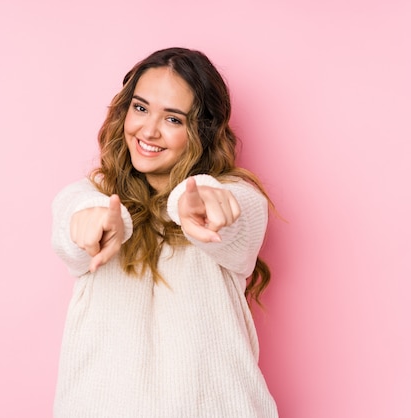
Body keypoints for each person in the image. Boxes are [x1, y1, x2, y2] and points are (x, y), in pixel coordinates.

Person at [51, 47, 279, 417]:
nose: (149, 130)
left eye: (173, 119)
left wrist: (194, 204)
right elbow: (72, 227)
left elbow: (237, 218)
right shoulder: (87, 196)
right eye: (140, 108)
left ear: (201, 130)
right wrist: (90, 220)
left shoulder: (237, 197)